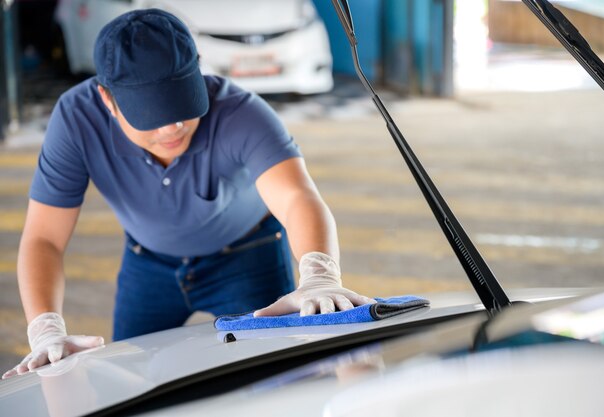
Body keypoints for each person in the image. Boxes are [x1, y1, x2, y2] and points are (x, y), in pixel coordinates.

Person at [2, 9, 374, 379]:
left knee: (277, 377)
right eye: (151, 115)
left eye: (182, 105)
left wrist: (319, 274)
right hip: (148, 265)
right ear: (107, 99)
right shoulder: (75, 120)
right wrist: (45, 327)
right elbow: (45, 237)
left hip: (246, 256)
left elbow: (297, 198)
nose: (173, 127)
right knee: (133, 384)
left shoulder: (240, 112)